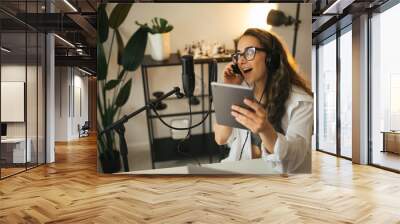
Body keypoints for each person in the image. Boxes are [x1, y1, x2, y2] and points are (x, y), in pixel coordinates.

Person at [213, 28, 313, 173]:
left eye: (249, 52)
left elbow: (293, 161)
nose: (241, 61)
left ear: (270, 58)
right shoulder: (241, 92)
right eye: (238, 55)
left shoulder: (302, 102)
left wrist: (266, 129)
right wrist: (230, 88)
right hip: (240, 172)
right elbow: (221, 138)